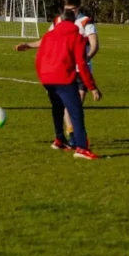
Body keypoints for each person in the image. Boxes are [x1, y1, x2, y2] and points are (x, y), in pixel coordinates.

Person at [16, 0, 99, 147]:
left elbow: (94, 45)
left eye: (73, 9)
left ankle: (72, 137)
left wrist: (85, 59)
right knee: (69, 105)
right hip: (65, 69)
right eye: (67, 9)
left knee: (77, 104)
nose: (70, 12)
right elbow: (46, 39)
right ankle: (72, 135)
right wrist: (28, 45)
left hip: (82, 69)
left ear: (79, 7)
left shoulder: (86, 22)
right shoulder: (59, 21)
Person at [36, 8, 102, 160]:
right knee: (76, 112)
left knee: (57, 108)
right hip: (64, 79)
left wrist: (43, 79)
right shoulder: (77, 37)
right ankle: (81, 148)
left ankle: (59, 139)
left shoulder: (49, 35)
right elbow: (82, 64)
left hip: (47, 78)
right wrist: (92, 87)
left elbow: (39, 58)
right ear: (73, 21)